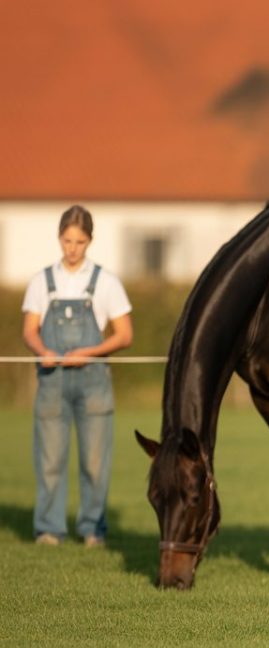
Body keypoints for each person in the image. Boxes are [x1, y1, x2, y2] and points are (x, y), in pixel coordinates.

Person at [21, 205, 133, 547]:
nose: (72, 248)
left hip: (94, 382)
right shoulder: (42, 281)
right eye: (67, 240)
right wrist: (43, 351)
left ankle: (91, 529)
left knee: (95, 462)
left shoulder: (106, 281)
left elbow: (124, 335)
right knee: (50, 460)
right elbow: (29, 330)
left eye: (80, 242)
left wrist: (88, 353)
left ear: (90, 241)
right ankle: (49, 529)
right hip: (52, 381)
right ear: (59, 238)